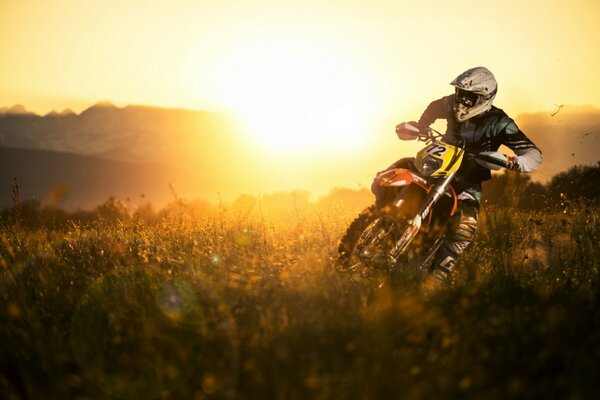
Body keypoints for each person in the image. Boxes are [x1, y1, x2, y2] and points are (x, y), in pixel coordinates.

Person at [376, 66, 542, 285]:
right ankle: (376, 221)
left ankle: (434, 282)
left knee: (465, 227)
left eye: (469, 97)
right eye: (460, 94)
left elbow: (534, 155)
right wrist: (423, 125)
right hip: (436, 161)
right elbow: (435, 107)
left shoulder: (500, 122)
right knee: (390, 173)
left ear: (485, 98)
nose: (461, 101)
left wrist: (509, 161)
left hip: (467, 181)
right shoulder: (449, 103)